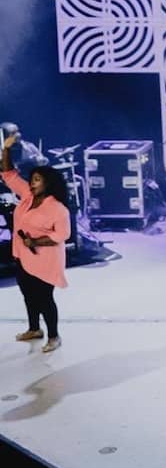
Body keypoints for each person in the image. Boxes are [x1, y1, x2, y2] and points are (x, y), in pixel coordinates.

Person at [2, 130, 72, 352]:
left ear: (48, 184)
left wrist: (36, 242)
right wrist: (6, 149)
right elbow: (9, 175)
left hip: (45, 260)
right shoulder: (27, 196)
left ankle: (54, 336)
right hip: (23, 256)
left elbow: (62, 235)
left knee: (44, 299)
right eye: (32, 180)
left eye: (37, 180)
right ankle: (34, 329)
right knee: (28, 296)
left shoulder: (57, 209)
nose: (32, 184)